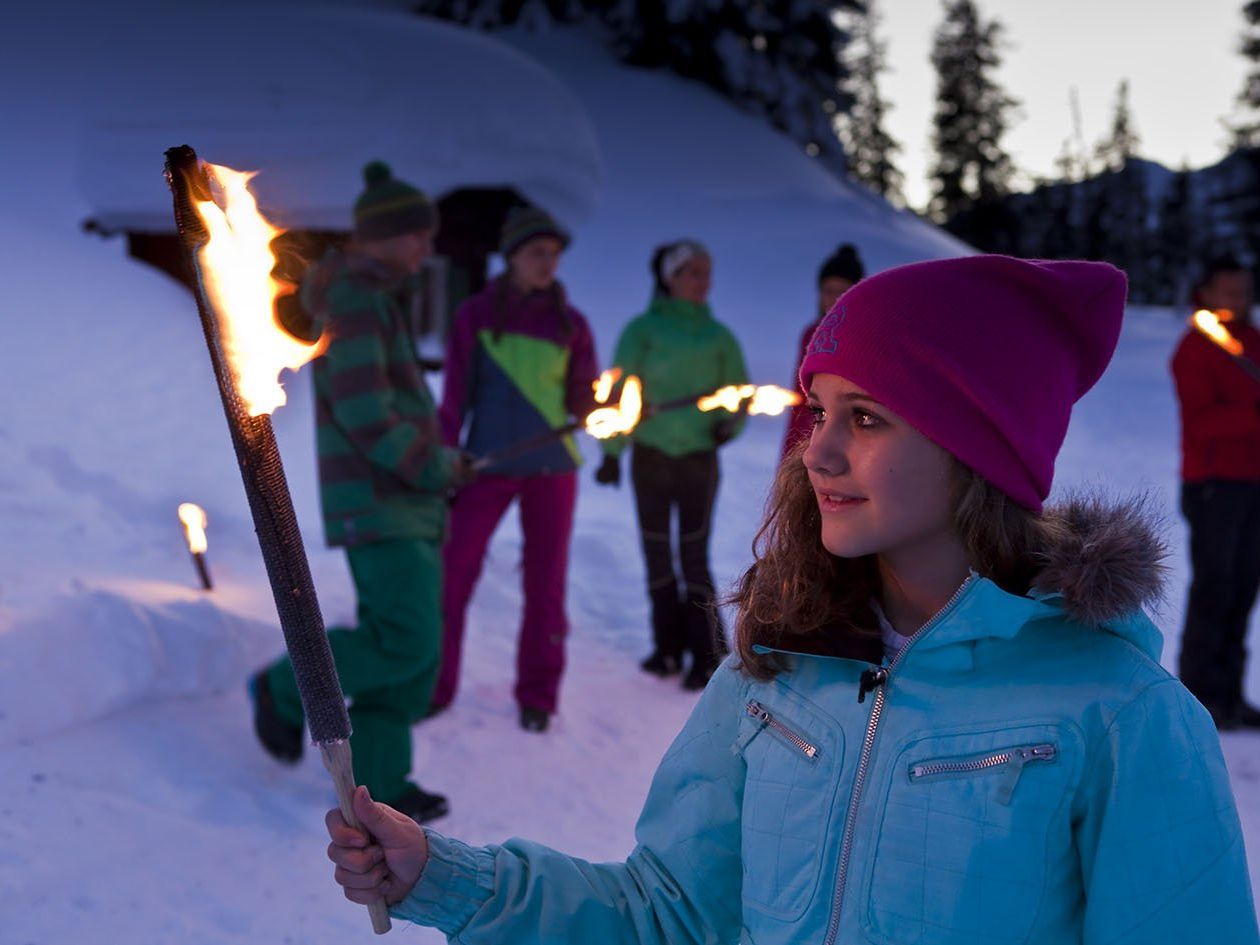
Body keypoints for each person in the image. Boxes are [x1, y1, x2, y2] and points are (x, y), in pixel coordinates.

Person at [325, 255, 1258, 944]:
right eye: (818, 409)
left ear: (980, 447)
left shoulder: (1123, 714)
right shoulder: (773, 670)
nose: (816, 450)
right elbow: (670, 914)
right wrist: (444, 877)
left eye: (867, 416)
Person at [249, 161, 472, 824]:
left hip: (403, 500)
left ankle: (381, 780)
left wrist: (439, 467)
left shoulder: (376, 296)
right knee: (404, 639)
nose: (426, 250)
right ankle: (283, 686)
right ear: (381, 236)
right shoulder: (355, 298)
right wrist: (433, 466)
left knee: (412, 649)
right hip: (379, 501)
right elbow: (365, 410)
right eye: (416, 237)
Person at [432, 206, 599, 733]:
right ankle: (435, 684)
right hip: (486, 464)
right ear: (512, 257)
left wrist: (592, 406)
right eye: (536, 253)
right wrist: (447, 451)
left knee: (545, 582)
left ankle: (538, 694)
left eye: (553, 254)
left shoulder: (571, 324)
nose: (548, 263)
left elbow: (582, 395)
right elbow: (454, 395)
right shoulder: (476, 315)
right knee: (452, 572)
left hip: (552, 470)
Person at [594, 240, 748, 690]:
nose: (703, 281)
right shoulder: (641, 331)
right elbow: (621, 395)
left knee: (693, 553)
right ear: (669, 277)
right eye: (693, 272)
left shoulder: (719, 337)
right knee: (657, 551)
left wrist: (727, 427)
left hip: (698, 457)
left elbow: (738, 393)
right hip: (651, 456)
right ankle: (665, 649)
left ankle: (705, 654)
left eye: (707, 272)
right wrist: (611, 453)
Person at [1171, 253, 1260, 729]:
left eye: (1244, 291)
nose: (1239, 300)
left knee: (1244, 588)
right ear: (1206, 293)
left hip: (1252, 483)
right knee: (1215, 588)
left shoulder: (1252, 342)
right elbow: (1202, 423)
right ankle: (1200, 697)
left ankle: (1230, 694)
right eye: (1229, 291)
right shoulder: (1195, 349)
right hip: (1212, 486)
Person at [782, 243, 865, 458]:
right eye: (829, 291)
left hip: (844, 438)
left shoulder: (863, 337)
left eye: (843, 291)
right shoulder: (812, 334)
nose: (834, 298)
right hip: (806, 434)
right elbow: (800, 395)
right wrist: (790, 449)